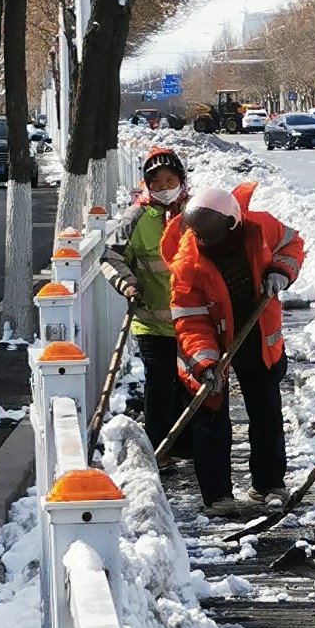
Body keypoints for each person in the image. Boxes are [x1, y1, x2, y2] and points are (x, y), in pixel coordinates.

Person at [162, 181, 305, 516]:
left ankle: (268, 483)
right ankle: (218, 496)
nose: (205, 244)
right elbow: (190, 321)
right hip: (213, 345)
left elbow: (292, 243)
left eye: (212, 238)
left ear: (233, 225)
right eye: (199, 237)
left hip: (258, 337)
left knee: (267, 412)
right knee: (211, 418)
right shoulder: (187, 266)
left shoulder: (259, 226)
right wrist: (205, 363)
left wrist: (281, 271)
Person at [99, 147, 193, 451]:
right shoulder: (136, 217)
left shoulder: (195, 213)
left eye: (170, 180)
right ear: (147, 185)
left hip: (194, 320)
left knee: (192, 384)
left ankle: (189, 445)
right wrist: (128, 285)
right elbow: (111, 257)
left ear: (181, 179)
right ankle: (159, 449)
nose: (165, 188)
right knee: (160, 384)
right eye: (157, 183)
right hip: (152, 320)